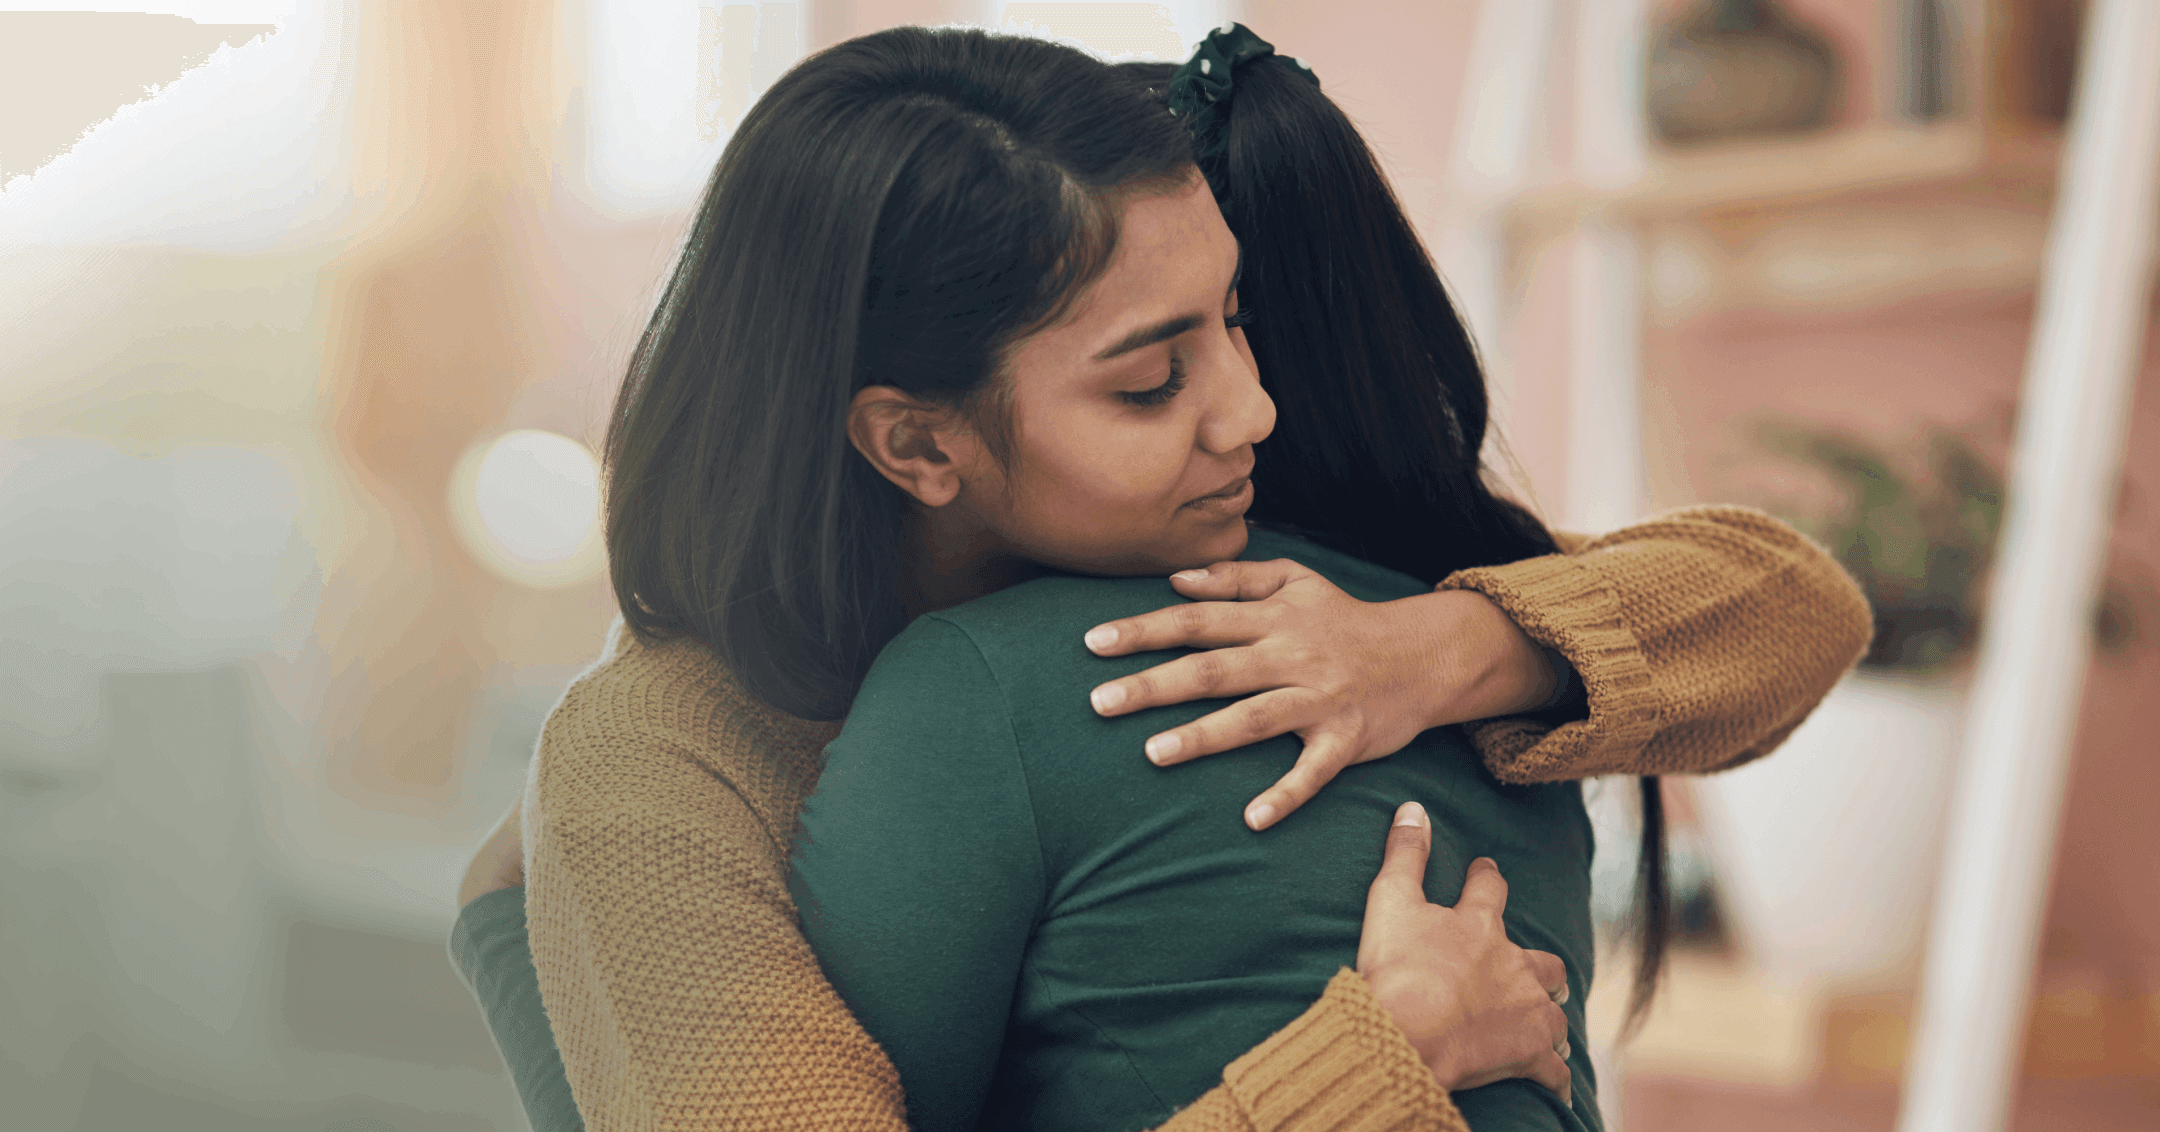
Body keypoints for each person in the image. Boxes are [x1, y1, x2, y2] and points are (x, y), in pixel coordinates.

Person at [453, 23, 1871, 1132]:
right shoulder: (661, 763)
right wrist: (1383, 1059)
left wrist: (1435, 652)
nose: (1251, 411)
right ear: (913, 443)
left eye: (1236, 320)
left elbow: (1790, 608)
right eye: (1149, 381)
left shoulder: (1257, 606)